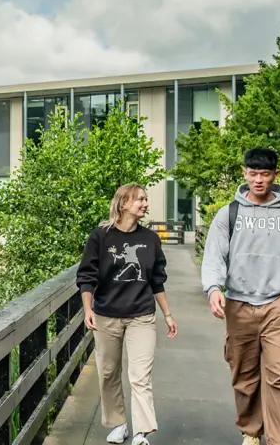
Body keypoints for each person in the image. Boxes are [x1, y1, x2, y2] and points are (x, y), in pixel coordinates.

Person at [201, 148, 280, 445]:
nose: (259, 180)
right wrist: (213, 289)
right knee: (244, 377)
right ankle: (251, 430)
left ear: (276, 174)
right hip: (238, 306)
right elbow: (214, 256)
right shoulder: (229, 214)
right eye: (253, 174)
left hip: (277, 306)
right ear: (244, 173)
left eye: (265, 174)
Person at [75, 183, 177, 445]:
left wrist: (167, 315)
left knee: (140, 375)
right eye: (139, 199)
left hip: (141, 315)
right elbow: (86, 277)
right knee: (108, 372)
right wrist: (88, 309)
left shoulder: (150, 239)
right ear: (123, 203)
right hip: (106, 315)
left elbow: (157, 280)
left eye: (145, 199)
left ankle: (141, 432)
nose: (145, 203)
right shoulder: (100, 237)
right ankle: (119, 424)